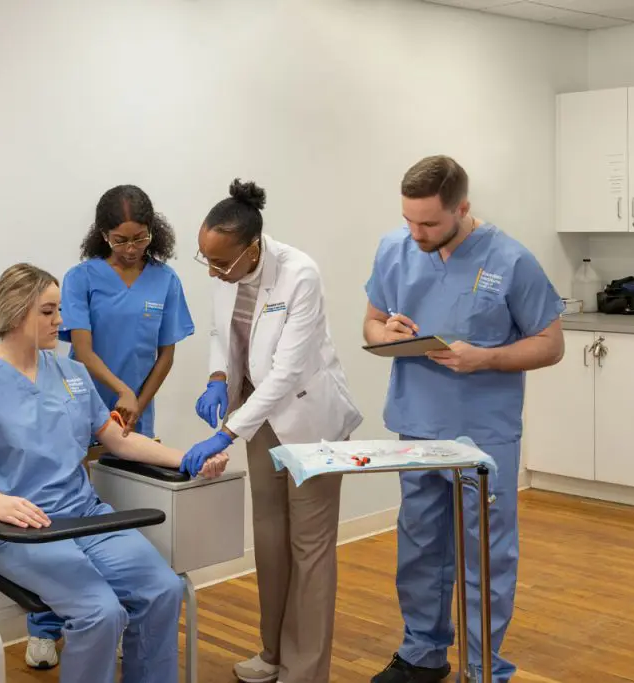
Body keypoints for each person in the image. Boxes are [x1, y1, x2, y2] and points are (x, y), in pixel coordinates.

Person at [0, 263, 229, 683]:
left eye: (58, 309)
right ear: (15, 312)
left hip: (85, 516)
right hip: (20, 527)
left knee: (164, 590)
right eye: (48, 311)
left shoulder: (71, 374)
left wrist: (191, 456)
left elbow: (118, 441)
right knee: (99, 612)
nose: (60, 321)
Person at [363, 155, 564, 683]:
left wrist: (486, 358)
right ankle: (422, 654)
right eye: (409, 220)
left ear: (462, 208)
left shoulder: (511, 260)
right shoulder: (394, 249)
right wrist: (387, 335)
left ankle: (482, 667)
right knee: (420, 544)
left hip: (484, 430)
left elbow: (551, 344)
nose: (417, 233)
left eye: (428, 223)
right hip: (416, 421)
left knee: (486, 553)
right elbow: (374, 321)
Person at [185, 179, 364, 683]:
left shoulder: (299, 274)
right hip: (259, 416)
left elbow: (286, 372)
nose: (214, 271)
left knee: (309, 546)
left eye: (222, 262)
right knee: (269, 537)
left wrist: (226, 434)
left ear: (253, 248)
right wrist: (219, 376)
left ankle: (305, 671)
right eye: (207, 261)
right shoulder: (224, 270)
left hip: (310, 423)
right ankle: (273, 653)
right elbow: (223, 332)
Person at [22, 185, 195, 667]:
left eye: (138, 238)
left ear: (152, 232)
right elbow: (83, 348)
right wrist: (121, 392)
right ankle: (45, 625)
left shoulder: (165, 280)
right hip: (80, 402)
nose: (130, 247)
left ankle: (120, 617)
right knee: (62, 506)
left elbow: (166, 354)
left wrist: (137, 402)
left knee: (120, 512)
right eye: (119, 239)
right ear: (102, 236)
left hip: (136, 410)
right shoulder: (81, 278)